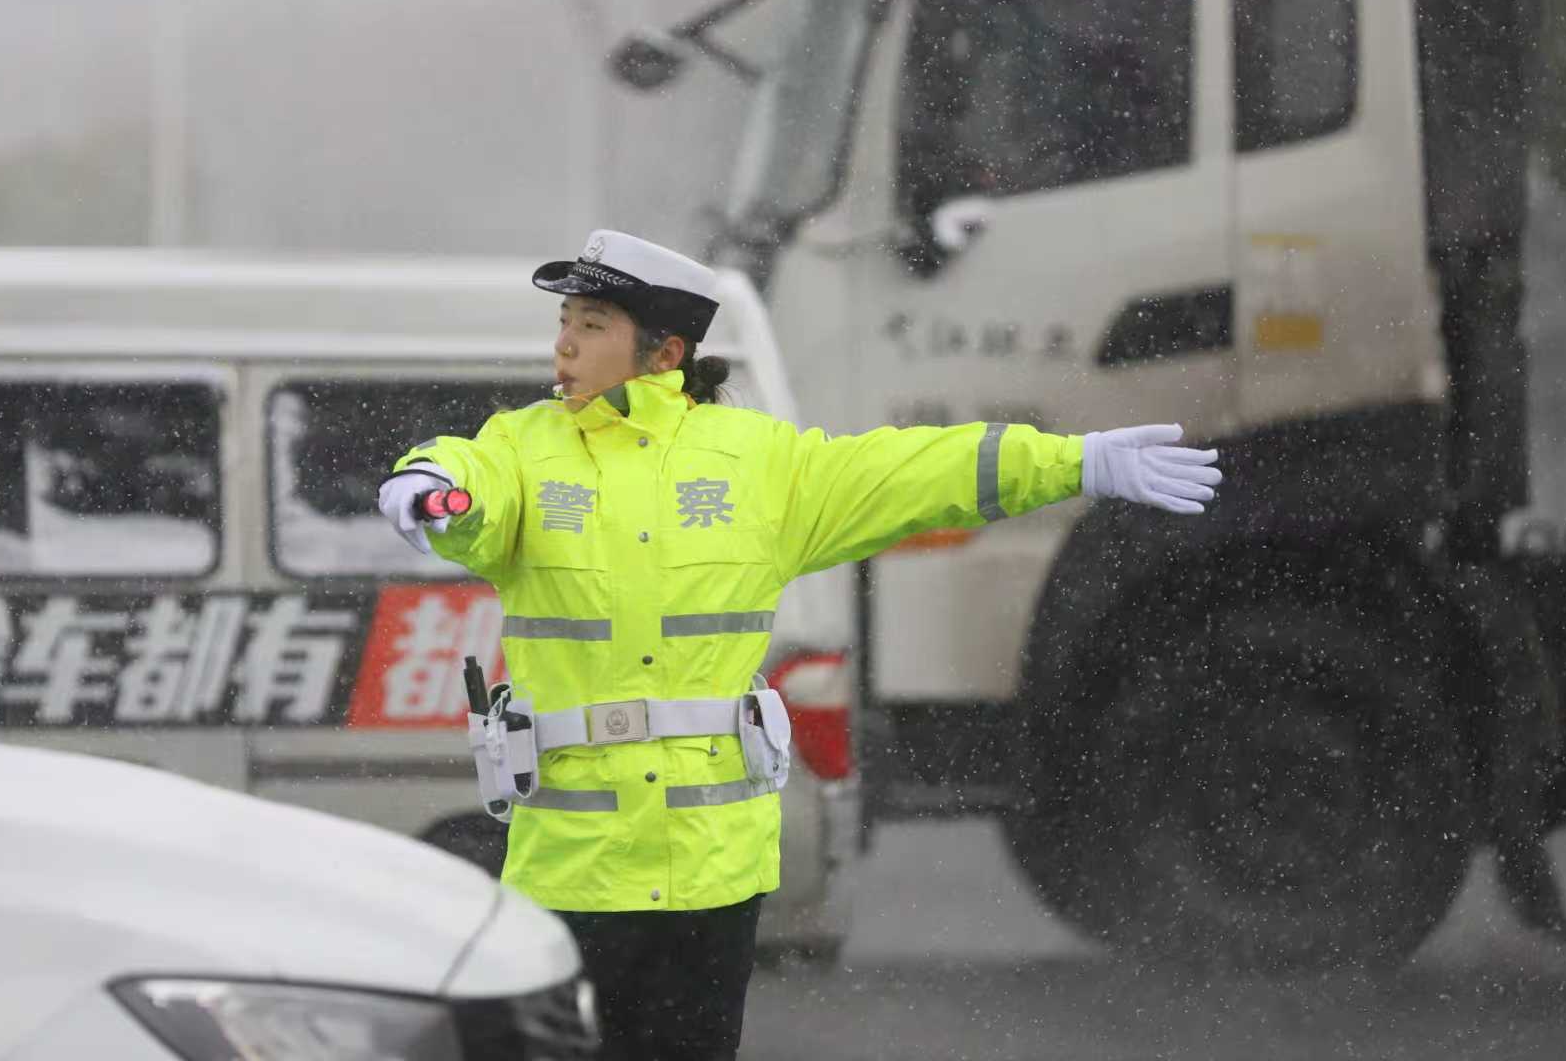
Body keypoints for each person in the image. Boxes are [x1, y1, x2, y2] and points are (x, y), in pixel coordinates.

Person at [377, 229, 1222, 1059]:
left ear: (664, 353)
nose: (563, 345)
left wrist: (1074, 462)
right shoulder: (523, 450)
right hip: (568, 872)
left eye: (591, 325)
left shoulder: (756, 464)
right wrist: (429, 484)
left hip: (710, 875)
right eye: (565, 323)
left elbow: (915, 473)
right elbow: (471, 479)